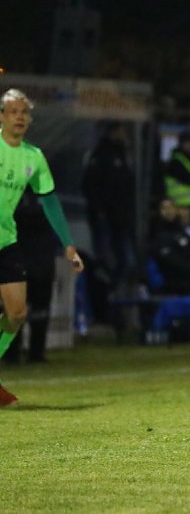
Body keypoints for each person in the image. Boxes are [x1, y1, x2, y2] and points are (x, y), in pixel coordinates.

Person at [0, 89, 85, 406]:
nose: (19, 117)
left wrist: (68, 244)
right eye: (13, 111)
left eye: (24, 112)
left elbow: (49, 200)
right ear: (1, 117)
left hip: (6, 241)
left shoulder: (33, 156)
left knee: (17, 313)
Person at [1, 189, 59, 365]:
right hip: (35, 262)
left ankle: (19, 353)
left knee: (27, 311)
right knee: (29, 311)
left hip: (25, 262)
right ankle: (31, 353)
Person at [81, 121, 136, 285]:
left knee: (125, 260)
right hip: (105, 216)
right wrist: (99, 210)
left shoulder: (123, 155)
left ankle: (114, 288)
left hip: (121, 217)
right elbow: (90, 185)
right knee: (105, 258)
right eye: (121, 131)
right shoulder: (100, 155)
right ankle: (106, 289)